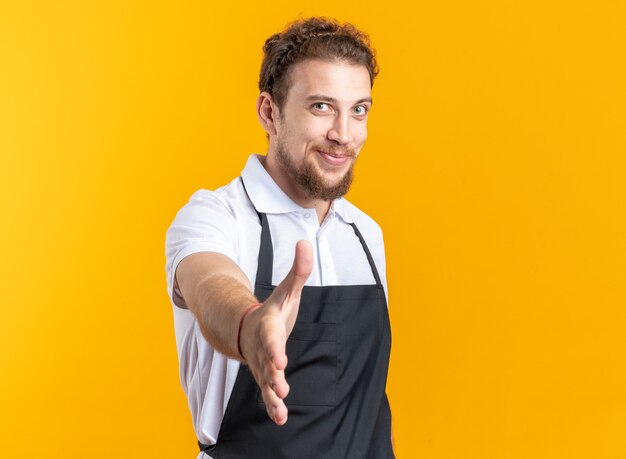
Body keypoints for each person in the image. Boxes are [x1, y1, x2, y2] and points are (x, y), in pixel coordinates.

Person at [165, 17, 393, 458]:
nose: (343, 135)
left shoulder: (365, 234)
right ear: (269, 112)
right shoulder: (216, 215)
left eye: (358, 110)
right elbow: (209, 282)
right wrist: (251, 326)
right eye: (322, 107)